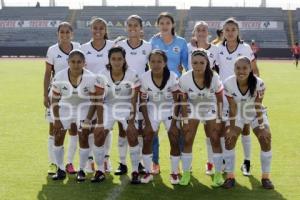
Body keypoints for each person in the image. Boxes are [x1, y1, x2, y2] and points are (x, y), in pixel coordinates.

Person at [88, 46, 142, 184]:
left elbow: (134, 99)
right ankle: (100, 170)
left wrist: (131, 122)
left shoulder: (132, 74)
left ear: (124, 60)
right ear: (109, 60)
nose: (117, 62)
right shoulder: (102, 74)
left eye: (120, 59)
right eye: (113, 59)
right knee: (98, 134)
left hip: (127, 107)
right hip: (109, 107)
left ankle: (135, 171)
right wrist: (100, 123)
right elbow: (99, 100)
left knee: (131, 134)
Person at [222, 56, 274, 190]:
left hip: (255, 113)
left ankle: (266, 177)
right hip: (237, 113)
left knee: (265, 137)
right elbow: (232, 107)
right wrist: (232, 128)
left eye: (245, 68)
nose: (241, 71)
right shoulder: (228, 83)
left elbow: (258, 105)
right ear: (234, 69)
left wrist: (262, 127)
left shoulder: (259, 83)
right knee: (229, 138)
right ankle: (230, 176)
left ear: (251, 69)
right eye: (238, 68)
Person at [216, 18, 260, 176]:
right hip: (225, 95)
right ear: (223, 32)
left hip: (244, 94)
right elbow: (213, 70)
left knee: (245, 128)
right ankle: (223, 161)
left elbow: (255, 70)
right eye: (227, 30)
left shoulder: (245, 47)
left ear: (238, 31)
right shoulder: (217, 49)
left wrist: (253, 92)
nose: (230, 32)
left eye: (233, 29)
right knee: (223, 127)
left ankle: (247, 162)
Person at [149, 12, 188, 174]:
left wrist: (185, 85)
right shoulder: (153, 41)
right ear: (158, 25)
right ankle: (155, 162)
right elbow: (148, 63)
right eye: (162, 23)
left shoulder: (181, 42)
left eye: (167, 23)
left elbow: (187, 65)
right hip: (156, 90)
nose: (165, 26)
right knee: (153, 130)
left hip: (175, 91)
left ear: (172, 25)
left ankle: (176, 162)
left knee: (176, 130)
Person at [179, 49, 224, 186]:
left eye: (201, 63)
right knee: (187, 139)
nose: (198, 66)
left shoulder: (214, 77)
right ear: (191, 63)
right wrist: (185, 120)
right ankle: (186, 173)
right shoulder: (185, 78)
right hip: (193, 108)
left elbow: (219, 99)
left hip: (210, 107)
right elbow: (183, 100)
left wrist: (219, 119)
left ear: (207, 63)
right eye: (195, 63)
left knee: (215, 139)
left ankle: (218, 174)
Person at [50, 49, 96, 181]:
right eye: (73, 62)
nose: (76, 65)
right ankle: (60, 169)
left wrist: (88, 119)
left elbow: (94, 101)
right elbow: (54, 99)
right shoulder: (59, 76)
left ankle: (81, 170)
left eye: (79, 62)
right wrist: (57, 119)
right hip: (65, 106)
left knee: (83, 137)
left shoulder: (91, 77)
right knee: (58, 136)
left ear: (84, 63)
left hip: (84, 106)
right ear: (68, 62)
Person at [115, 15, 152, 175]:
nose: (132, 28)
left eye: (135, 25)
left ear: (141, 28)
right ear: (126, 27)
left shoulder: (148, 46)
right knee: (123, 129)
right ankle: (122, 163)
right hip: (123, 94)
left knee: (140, 130)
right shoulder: (119, 45)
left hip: (142, 93)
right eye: (129, 25)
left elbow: (152, 69)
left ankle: (140, 164)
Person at [139, 49, 181, 184]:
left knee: (174, 139)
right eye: (153, 61)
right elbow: (143, 102)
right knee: (147, 138)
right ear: (149, 63)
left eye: (159, 61)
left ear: (165, 63)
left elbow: (177, 101)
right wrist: (147, 123)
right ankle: (147, 171)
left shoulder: (172, 77)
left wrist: (174, 124)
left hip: (169, 110)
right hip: (152, 110)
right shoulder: (144, 78)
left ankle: (174, 173)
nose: (156, 64)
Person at [44, 22, 80, 175]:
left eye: (67, 32)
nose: (64, 35)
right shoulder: (52, 50)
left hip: (75, 96)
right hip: (57, 96)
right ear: (58, 34)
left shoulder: (78, 46)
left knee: (73, 130)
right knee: (54, 129)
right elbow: (47, 74)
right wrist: (45, 94)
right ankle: (53, 163)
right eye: (61, 32)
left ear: (72, 34)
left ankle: (69, 162)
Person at [81, 17, 115, 173]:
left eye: (101, 28)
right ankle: (89, 160)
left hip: (108, 94)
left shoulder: (112, 45)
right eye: (95, 28)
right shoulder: (84, 48)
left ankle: (106, 158)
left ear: (105, 30)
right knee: (88, 126)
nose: (98, 31)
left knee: (105, 128)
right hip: (89, 93)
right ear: (91, 29)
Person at [188, 21, 220, 175]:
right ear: (194, 32)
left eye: (204, 29)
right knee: (188, 133)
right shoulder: (188, 48)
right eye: (198, 29)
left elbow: (221, 69)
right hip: (191, 96)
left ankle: (211, 163)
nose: (201, 32)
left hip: (209, 95)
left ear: (208, 32)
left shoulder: (216, 49)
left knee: (211, 133)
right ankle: (188, 165)